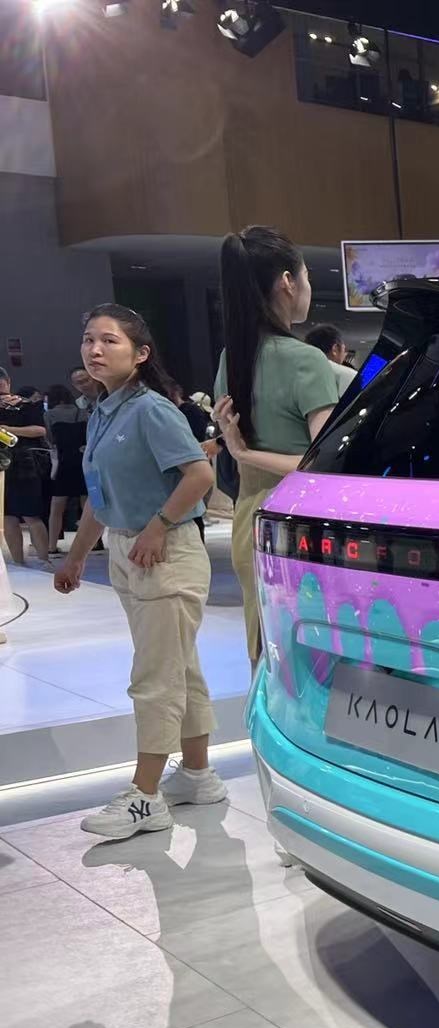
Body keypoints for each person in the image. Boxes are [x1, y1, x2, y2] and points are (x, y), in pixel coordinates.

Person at [53, 304, 226, 840]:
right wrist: (77, 555)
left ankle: (145, 797)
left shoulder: (151, 409)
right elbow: (99, 498)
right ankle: (197, 774)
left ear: (141, 353)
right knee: (180, 668)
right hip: (129, 552)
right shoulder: (102, 413)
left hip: (165, 554)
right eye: (89, 339)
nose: (95, 349)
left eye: (110, 341)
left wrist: (158, 526)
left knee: (155, 677)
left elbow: (199, 475)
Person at [212, 225, 340, 665]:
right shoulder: (306, 360)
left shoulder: (232, 357)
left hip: (249, 517)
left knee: (263, 650)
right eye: (306, 276)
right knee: (306, 659)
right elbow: (323, 462)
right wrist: (244, 453)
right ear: (287, 281)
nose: (307, 286)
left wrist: (244, 455)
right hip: (299, 522)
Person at [1, 368, 53, 566]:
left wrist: (7, 429)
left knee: (31, 514)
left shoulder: (27, 405)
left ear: (8, 382)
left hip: (24, 463)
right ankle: (17, 562)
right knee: (8, 516)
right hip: (2, 466)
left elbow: (39, 430)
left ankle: (43, 559)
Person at [44, 383, 88, 556]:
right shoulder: (83, 413)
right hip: (83, 461)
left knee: (56, 508)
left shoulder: (49, 414)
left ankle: (52, 546)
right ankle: (94, 544)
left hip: (63, 462)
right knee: (88, 507)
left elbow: (49, 439)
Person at [302, 323, 358, 395]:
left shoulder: (295, 373)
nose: (344, 355)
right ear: (335, 349)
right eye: (344, 350)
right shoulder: (349, 376)